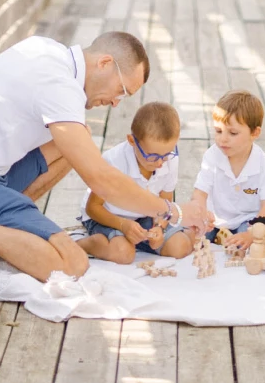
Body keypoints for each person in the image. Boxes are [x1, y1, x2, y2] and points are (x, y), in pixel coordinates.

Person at [0, 30, 189, 287]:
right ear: (104, 63)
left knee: (78, 139)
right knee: (72, 265)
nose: (116, 102)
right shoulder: (60, 86)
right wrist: (169, 210)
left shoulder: (47, 51)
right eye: (122, 90)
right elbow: (100, 179)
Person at [80, 100, 193, 263]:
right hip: (108, 216)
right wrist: (123, 225)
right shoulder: (113, 161)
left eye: (166, 154)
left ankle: (135, 240)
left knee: (180, 247)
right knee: (123, 254)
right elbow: (93, 208)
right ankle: (82, 243)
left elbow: (165, 202)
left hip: (144, 216)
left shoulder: (170, 159)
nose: (160, 163)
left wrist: (159, 228)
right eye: (152, 156)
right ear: (132, 141)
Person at [183, 89, 265, 246]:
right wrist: (201, 214)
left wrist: (252, 233)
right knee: (191, 239)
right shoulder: (212, 156)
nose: (223, 139)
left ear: (254, 133)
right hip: (215, 220)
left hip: (247, 222)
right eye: (218, 131)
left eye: (233, 133)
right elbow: (199, 194)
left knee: (249, 245)